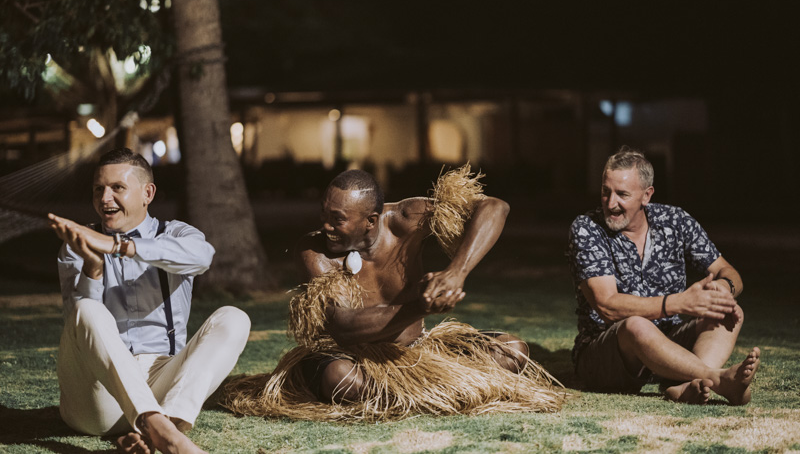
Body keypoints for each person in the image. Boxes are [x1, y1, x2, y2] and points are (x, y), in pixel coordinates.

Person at [223, 165, 564, 421]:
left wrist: (455, 273)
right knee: (341, 379)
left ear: (371, 220)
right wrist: (422, 305)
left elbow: (494, 207)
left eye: (337, 219)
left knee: (513, 350)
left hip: (415, 353)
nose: (325, 226)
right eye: (323, 214)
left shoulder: (404, 220)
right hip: (352, 360)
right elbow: (343, 326)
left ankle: (415, 395)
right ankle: (438, 395)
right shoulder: (315, 252)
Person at [49, 148, 251, 454]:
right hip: (97, 396)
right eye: (98, 189)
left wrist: (123, 247)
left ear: (147, 193)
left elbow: (202, 257)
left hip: (161, 384)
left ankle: (162, 428)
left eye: (117, 188)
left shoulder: (175, 234)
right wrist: (93, 268)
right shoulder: (79, 244)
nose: (105, 199)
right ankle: (164, 434)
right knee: (86, 308)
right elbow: (78, 326)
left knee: (234, 318)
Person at [567, 146, 760, 405]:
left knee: (728, 311)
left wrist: (723, 289)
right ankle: (717, 380)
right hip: (607, 353)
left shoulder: (675, 220)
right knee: (636, 324)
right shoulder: (587, 228)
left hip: (669, 345)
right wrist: (678, 303)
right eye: (605, 191)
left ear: (646, 196)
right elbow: (607, 306)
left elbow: (728, 271)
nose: (610, 203)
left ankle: (682, 384)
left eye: (622, 194)